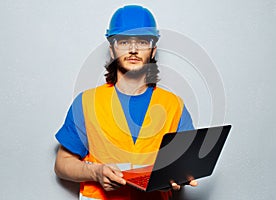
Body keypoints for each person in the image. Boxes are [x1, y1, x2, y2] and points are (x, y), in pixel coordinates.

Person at [54, 5, 198, 200]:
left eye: (141, 42)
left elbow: (184, 163)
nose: (132, 50)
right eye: (123, 42)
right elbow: (62, 164)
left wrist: (181, 175)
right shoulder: (86, 102)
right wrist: (96, 172)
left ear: (153, 50)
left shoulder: (173, 105)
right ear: (112, 50)